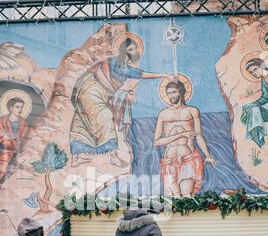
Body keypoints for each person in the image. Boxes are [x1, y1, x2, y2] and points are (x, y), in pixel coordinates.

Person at [70, 37, 169, 167]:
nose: (134, 52)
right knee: (105, 116)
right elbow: (138, 73)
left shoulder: (120, 64)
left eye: (135, 49)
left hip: (92, 91)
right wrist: (163, 75)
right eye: (131, 49)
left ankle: (76, 158)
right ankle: (114, 156)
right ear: (124, 51)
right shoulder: (117, 63)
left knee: (81, 121)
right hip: (91, 89)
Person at [154, 80, 216, 196]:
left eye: (174, 92)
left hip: (188, 159)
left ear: (181, 92)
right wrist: (181, 134)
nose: (171, 96)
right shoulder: (163, 114)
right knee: (174, 197)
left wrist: (207, 155)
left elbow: (198, 135)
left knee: (186, 193)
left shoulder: (192, 111)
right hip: (169, 161)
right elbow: (157, 142)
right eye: (169, 93)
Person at [0, 97, 29, 183]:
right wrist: (4, 138)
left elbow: (26, 137)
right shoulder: (2, 121)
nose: (20, 109)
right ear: (10, 108)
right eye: (17, 107)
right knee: (2, 170)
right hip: (4, 151)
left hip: (18, 151)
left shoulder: (23, 122)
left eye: (21, 107)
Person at [241, 58, 268, 148]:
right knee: (254, 109)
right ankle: (259, 139)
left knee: (254, 108)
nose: (254, 73)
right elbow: (265, 97)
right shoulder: (264, 80)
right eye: (251, 73)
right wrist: (253, 104)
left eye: (255, 69)